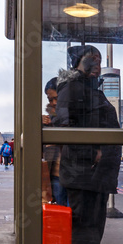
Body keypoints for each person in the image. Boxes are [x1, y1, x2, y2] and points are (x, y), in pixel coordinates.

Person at [54, 44, 123, 244]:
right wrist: (91, 153)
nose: (97, 63)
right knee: (84, 226)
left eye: (98, 58)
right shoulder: (72, 88)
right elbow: (64, 126)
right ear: (76, 63)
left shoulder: (92, 89)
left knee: (94, 226)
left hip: (97, 174)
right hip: (84, 172)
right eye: (90, 59)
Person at [42, 77, 67, 206]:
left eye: (56, 98)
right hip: (56, 174)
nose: (54, 103)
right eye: (50, 99)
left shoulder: (72, 115)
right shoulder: (48, 118)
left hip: (72, 174)